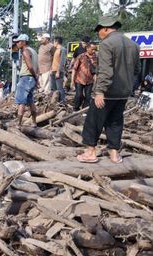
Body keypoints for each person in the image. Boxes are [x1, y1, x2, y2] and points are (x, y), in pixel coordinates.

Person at [77, 15, 140, 164]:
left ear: (105, 28)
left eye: (99, 30)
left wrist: (99, 91)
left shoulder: (107, 44)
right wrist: (129, 86)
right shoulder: (134, 45)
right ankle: (114, 154)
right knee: (115, 122)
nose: (98, 34)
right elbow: (137, 70)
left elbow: (106, 71)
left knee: (93, 121)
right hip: (123, 93)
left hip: (107, 92)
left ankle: (90, 152)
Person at [13, 34, 38, 127]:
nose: (17, 44)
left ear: (23, 42)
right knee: (30, 101)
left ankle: (18, 124)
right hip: (31, 78)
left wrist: (35, 76)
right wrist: (36, 78)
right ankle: (34, 122)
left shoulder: (25, 51)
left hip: (26, 78)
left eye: (18, 42)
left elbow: (30, 66)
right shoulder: (34, 51)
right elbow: (37, 67)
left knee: (21, 101)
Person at [71, 43, 98, 111]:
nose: (94, 51)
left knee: (88, 96)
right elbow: (74, 69)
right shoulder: (81, 56)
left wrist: (96, 80)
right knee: (79, 95)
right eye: (92, 49)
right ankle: (75, 108)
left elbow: (96, 70)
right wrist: (72, 81)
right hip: (79, 79)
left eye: (95, 49)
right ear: (87, 48)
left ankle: (84, 110)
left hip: (90, 80)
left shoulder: (96, 58)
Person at [51, 36, 67, 105]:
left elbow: (62, 62)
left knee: (60, 88)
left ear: (56, 42)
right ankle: (55, 103)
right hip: (53, 71)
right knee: (54, 88)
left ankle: (62, 102)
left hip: (58, 71)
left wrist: (58, 71)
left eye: (54, 41)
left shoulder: (62, 49)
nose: (53, 43)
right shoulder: (56, 50)